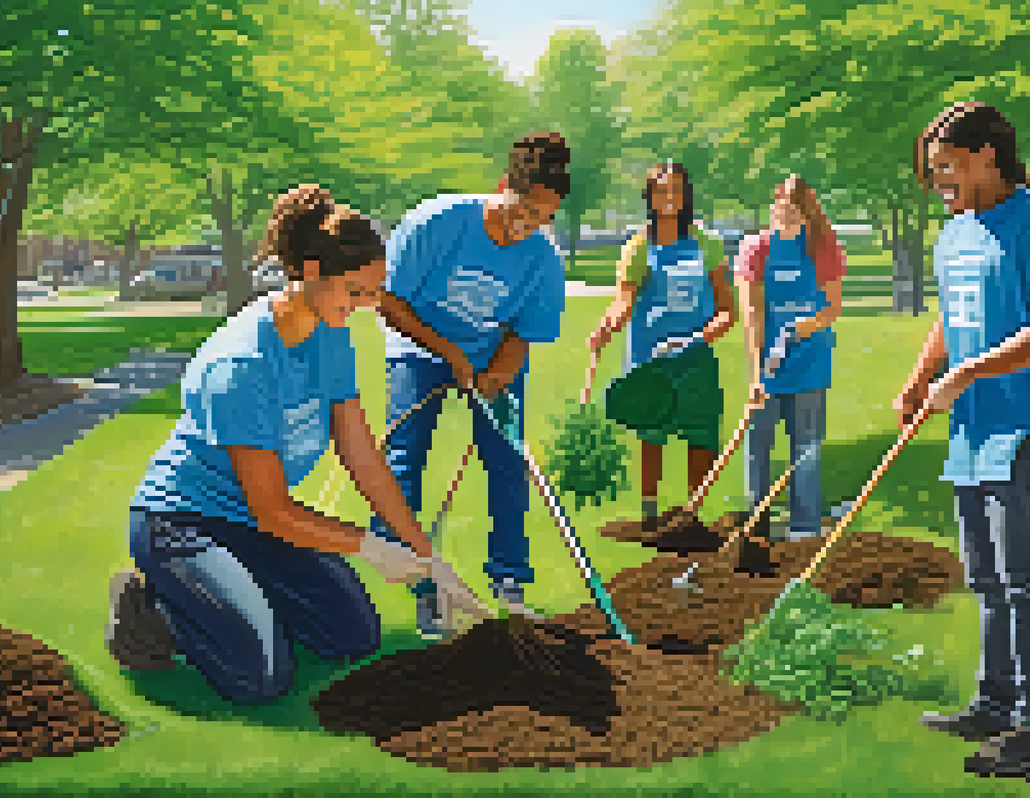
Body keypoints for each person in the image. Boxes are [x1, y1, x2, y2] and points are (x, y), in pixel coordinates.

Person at [107, 185, 486, 703]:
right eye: (355, 291)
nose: (366, 306)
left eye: (373, 292)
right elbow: (272, 511)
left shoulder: (331, 332)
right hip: (182, 524)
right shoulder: (241, 364)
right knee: (261, 676)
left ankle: (238, 600)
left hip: (253, 524)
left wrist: (426, 556)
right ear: (310, 271)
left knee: (352, 636)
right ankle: (149, 609)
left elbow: (360, 454)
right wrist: (370, 546)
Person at [899, 102, 1030, 776]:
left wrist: (969, 372)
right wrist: (921, 377)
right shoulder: (955, 234)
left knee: (1025, 582)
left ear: (988, 155)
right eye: (933, 170)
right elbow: (951, 317)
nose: (938, 180)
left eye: (947, 166)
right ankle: (994, 703)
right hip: (973, 430)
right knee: (986, 579)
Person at [371, 133, 570, 637]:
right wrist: (451, 353)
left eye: (543, 218)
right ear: (503, 187)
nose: (528, 226)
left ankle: (509, 582)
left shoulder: (543, 258)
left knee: (506, 460)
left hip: (491, 354)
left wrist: (496, 375)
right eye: (524, 210)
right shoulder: (436, 221)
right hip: (416, 347)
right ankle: (424, 584)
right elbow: (389, 302)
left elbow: (525, 332)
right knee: (405, 457)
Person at [586, 161, 736, 540]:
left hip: (696, 359)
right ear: (650, 197)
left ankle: (691, 515)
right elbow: (624, 301)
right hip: (650, 359)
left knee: (701, 434)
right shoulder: (638, 246)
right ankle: (650, 515)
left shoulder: (707, 242)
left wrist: (698, 339)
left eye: (676, 190)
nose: (669, 198)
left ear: (687, 195)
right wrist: (607, 326)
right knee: (651, 433)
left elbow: (727, 310)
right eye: (661, 190)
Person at [734, 174, 846, 566]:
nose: (786, 213)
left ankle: (805, 525)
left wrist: (799, 329)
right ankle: (757, 525)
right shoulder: (756, 249)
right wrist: (757, 373)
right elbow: (752, 312)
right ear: (772, 207)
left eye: (794, 208)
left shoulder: (823, 247)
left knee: (806, 445)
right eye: (781, 206)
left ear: (807, 213)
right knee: (757, 446)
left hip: (810, 362)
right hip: (768, 367)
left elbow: (832, 308)